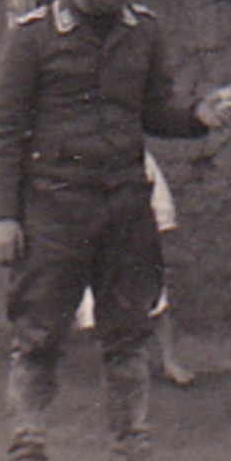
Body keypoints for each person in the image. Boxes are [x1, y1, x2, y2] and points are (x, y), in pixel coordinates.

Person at [0, 0, 231, 461]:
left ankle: (132, 456)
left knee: (128, 336)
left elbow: (154, 112)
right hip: (53, 212)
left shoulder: (143, 32)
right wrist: (2, 215)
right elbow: (4, 130)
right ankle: (27, 456)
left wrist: (196, 116)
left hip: (125, 210)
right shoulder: (32, 38)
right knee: (38, 337)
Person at [74, 150, 195, 387]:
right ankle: (116, 363)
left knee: (154, 298)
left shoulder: (135, 151)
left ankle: (169, 360)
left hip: (134, 234)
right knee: (95, 303)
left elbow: (155, 188)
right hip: (93, 237)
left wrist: (161, 220)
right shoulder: (75, 152)